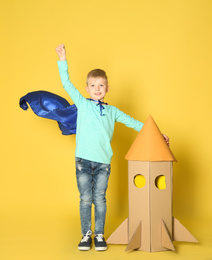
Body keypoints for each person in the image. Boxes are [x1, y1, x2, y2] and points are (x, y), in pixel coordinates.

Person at [55, 44, 169, 251]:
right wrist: (62, 60)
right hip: (83, 160)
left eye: (101, 85)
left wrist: (157, 134)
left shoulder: (113, 111)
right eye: (93, 85)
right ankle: (85, 234)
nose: (97, 89)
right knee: (85, 199)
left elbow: (134, 123)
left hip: (103, 163)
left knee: (99, 199)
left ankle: (99, 235)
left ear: (107, 88)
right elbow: (66, 83)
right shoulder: (82, 103)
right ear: (87, 88)